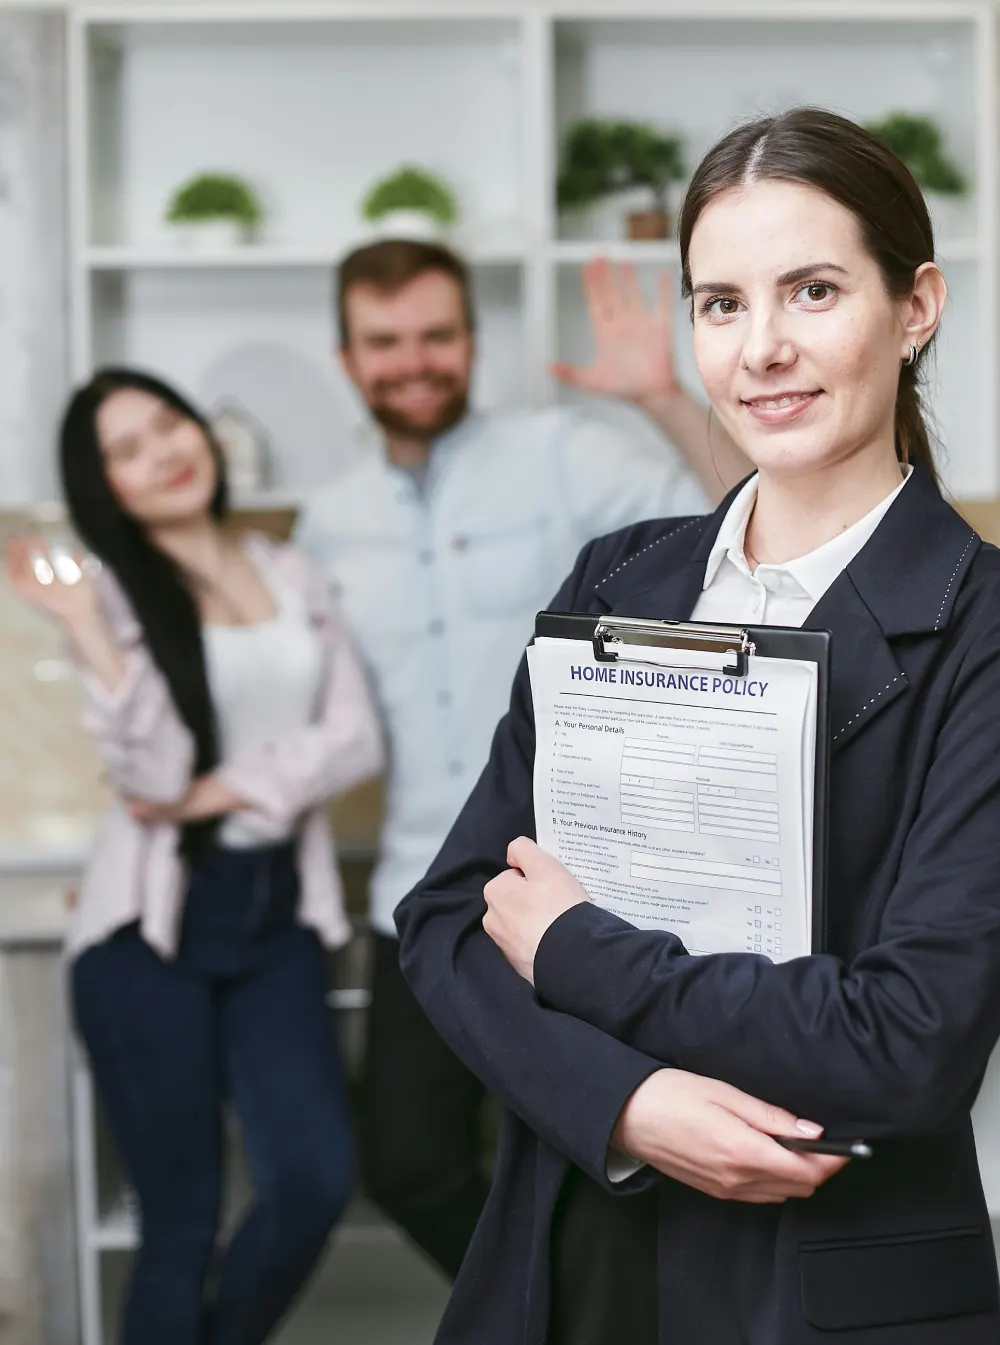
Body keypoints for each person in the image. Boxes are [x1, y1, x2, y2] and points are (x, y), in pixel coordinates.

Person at [395, 106, 1000, 1345]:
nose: (761, 347)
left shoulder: (983, 627)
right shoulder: (617, 579)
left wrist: (579, 957)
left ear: (916, 306)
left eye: (813, 291)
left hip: (826, 1278)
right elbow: (450, 918)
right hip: (569, 1248)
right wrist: (627, 1101)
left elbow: (911, 1039)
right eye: (719, 303)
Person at [295, 239, 749, 1279]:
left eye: (436, 335)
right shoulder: (330, 524)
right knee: (408, 1163)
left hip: (584, 894)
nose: (414, 361)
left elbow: (750, 518)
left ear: (470, 339)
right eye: (386, 341)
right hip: (429, 895)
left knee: (602, 1157)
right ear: (348, 355)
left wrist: (664, 399)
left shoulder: (562, 455)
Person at [5, 368, 384, 1345]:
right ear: (106, 489)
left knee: (311, 1178)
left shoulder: (288, 569)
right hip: (149, 932)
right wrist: (92, 635)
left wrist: (228, 787)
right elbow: (157, 771)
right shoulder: (117, 597)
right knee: (181, 1221)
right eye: (124, 451)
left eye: (166, 425)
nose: (161, 453)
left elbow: (355, 738)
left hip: (275, 919)